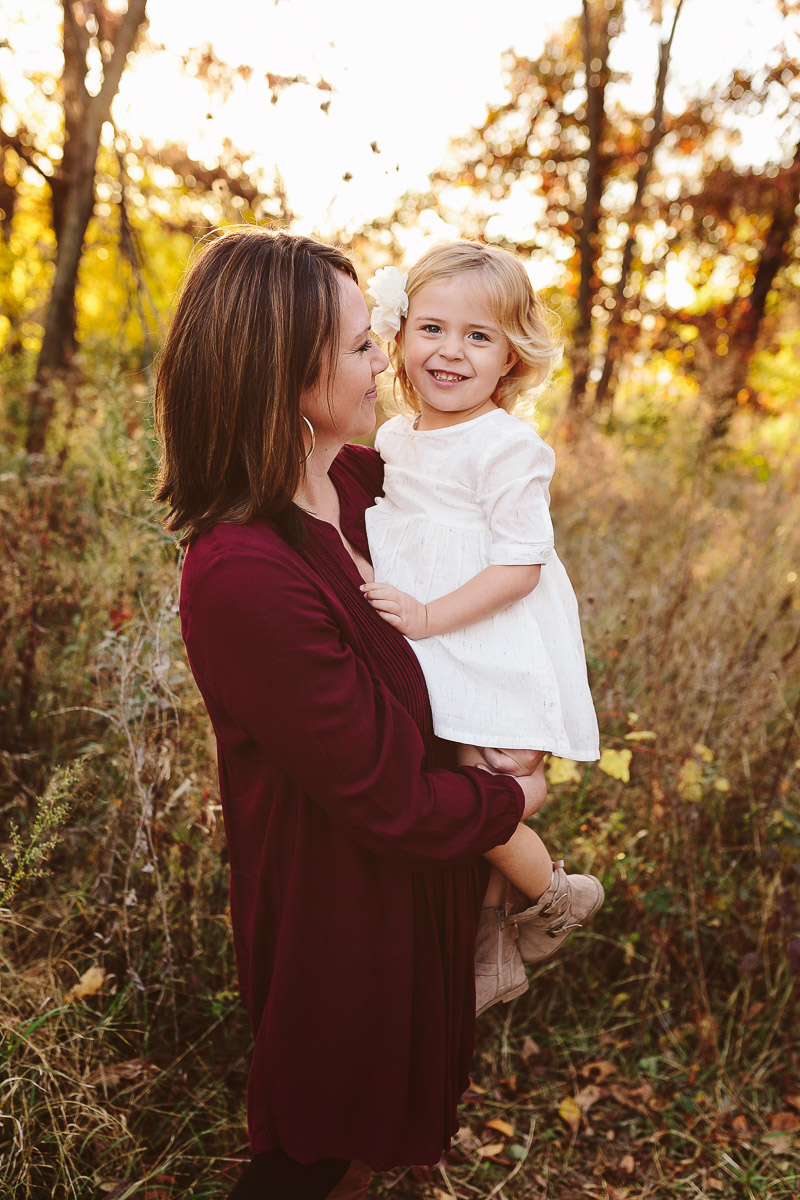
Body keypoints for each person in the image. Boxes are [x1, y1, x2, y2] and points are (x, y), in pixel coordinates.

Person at [153, 226, 550, 1200]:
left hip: (416, 901)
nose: (389, 360)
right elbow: (390, 803)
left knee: (365, 1152)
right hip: (341, 923)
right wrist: (513, 802)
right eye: (362, 342)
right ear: (286, 370)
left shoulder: (365, 487)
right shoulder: (242, 572)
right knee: (310, 1158)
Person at [362, 242, 604, 988]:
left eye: (479, 336)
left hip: (487, 634)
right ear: (397, 337)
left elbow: (522, 564)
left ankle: (559, 895)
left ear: (511, 358)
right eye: (432, 328)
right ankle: (494, 950)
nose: (451, 352)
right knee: (458, 779)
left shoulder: (507, 446)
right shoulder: (395, 436)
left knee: (483, 783)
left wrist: (430, 615)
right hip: (430, 630)